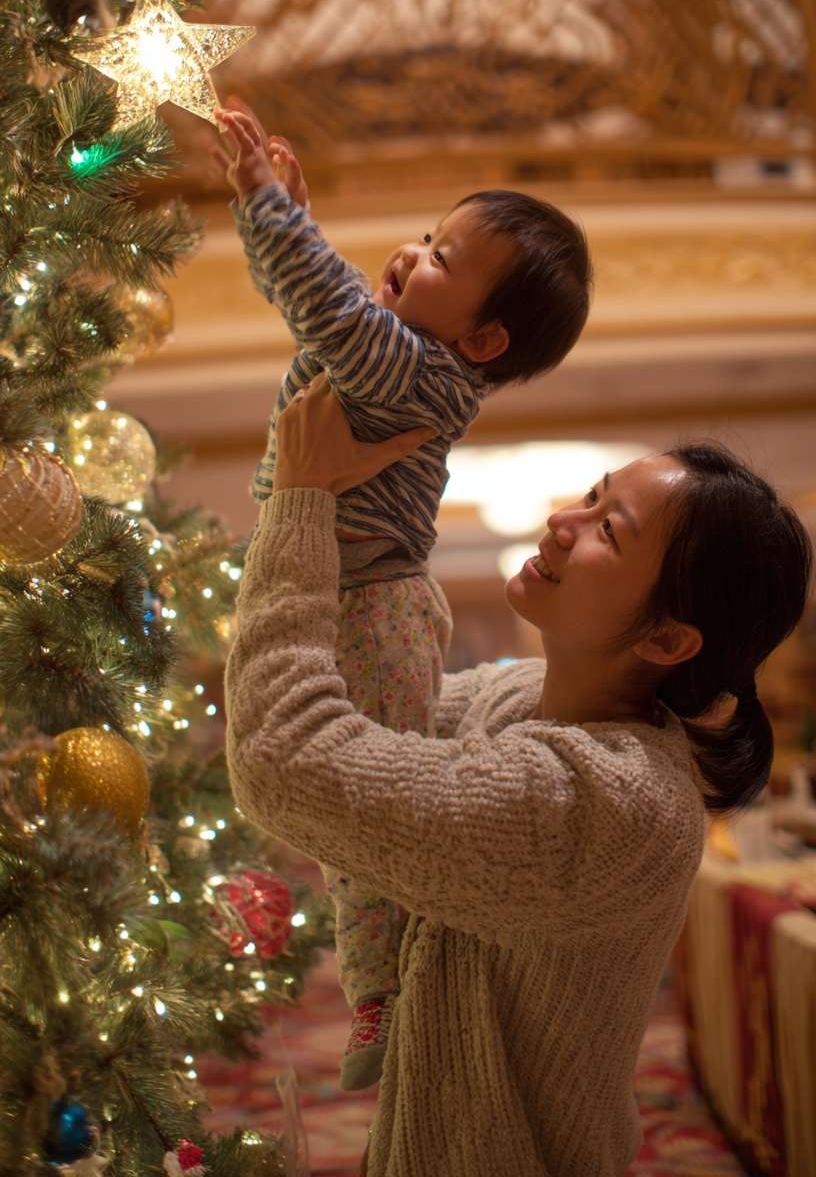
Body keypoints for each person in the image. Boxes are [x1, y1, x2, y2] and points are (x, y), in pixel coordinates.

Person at [225, 375, 812, 1177]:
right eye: (590, 496)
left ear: (670, 639)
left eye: (609, 527)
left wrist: (298, 500)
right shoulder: (518, 696)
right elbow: (366, 717)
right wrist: (369, 522)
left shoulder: (605, 800)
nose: (562, 520)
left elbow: (285, 759)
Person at [213, 100, 591, 1087]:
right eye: (428, 236)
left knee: (369, 820)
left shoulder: (422, 378)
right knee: (359, 815)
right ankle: (388, 982)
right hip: (361, 597)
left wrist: (268, 205)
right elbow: (306, 304)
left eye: (442, 260)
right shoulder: (398, 348)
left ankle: (380, 994)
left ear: (484, 340)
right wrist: (280, 211)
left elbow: (325, 308)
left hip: (375, 605)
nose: (413, 253)